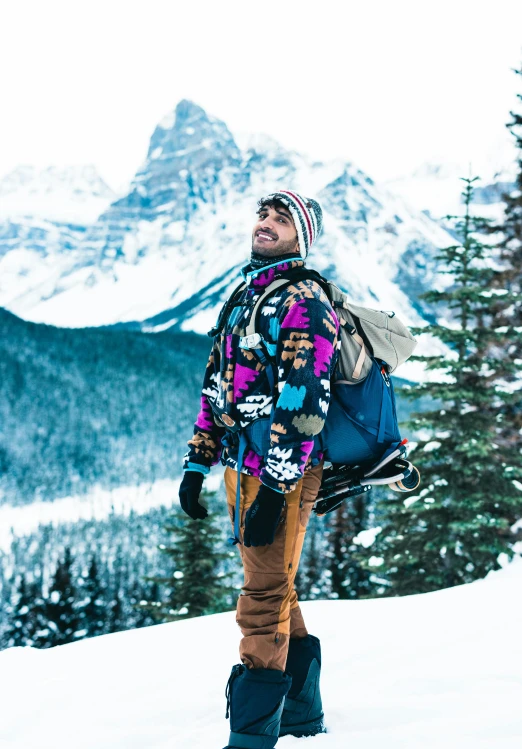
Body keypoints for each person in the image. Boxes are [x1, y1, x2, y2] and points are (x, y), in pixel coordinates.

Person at [179, 190, 340, 748]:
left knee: (263, 595)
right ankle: (299, 712)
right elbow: (217, 381)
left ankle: (251, 738)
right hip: (241, 464)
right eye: (263, 216)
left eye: (282, 219)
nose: (266, 225)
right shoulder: (248, 293)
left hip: (280, 470)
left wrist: (277, 484)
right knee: (277, 586)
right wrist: (198, 460)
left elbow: (304, 401)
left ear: (302, 235)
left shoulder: (304, 302)